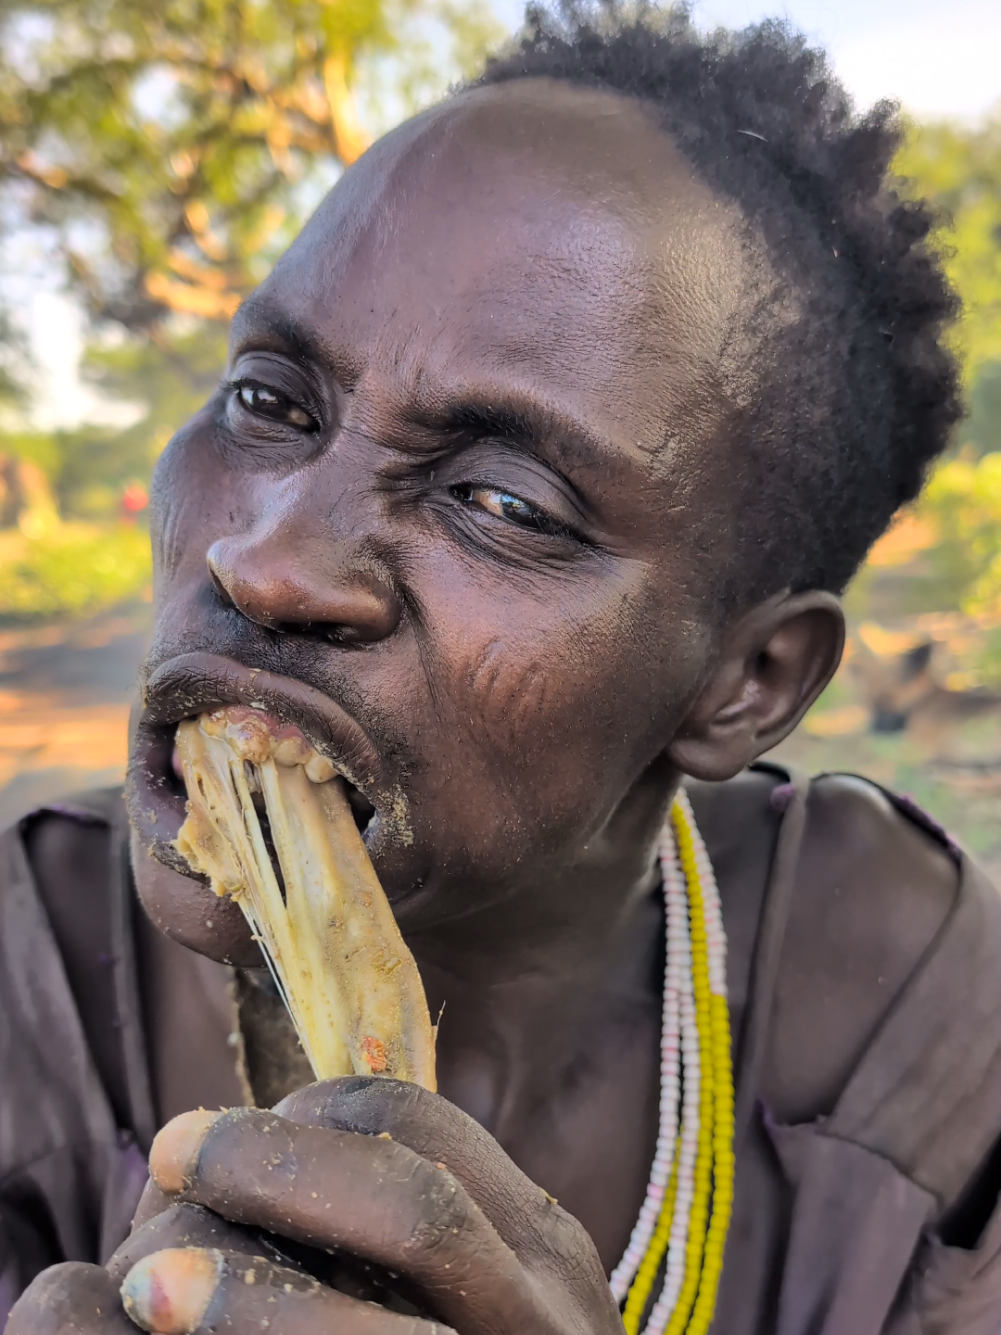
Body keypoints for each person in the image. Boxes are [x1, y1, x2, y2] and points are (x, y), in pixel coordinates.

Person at [5, 6, 1001, 1332]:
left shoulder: (935, 1045)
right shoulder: (33, 983)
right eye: (269, 399)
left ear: (749, 679)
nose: (269, 559)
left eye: (506, 502)